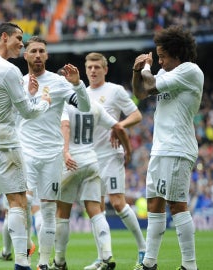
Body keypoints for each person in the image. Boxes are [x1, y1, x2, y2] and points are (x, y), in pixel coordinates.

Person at [0, 23, 51, 270]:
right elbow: (27, 111)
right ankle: (22, 263)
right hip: (4, 143)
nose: (21, 44)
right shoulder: (9, 69)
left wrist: (25, 92)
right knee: (17, 201)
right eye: (18, 38)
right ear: (4, 36)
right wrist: (43, 101)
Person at [131, 25, 203, 270]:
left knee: (177, 204)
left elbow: (150, 86)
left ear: (177, 53)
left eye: (162, 55)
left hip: (177, 147)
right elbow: (141, 92)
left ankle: (189, 265)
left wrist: (149, 68)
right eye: (158, 56)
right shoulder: (165, 72)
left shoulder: (190, 70)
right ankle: (149, 263)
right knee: (154, 203)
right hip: (160, 148)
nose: (159, 60)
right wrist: (136, 71)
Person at [19, 35, 91, 270]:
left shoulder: (59, 83)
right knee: (24, 204)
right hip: (25, 152)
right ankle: (24, 254)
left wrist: (78, 84)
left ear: (47, 55)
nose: (38, 55)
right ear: (25, 55)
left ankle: (43, 263)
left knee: (49, 209)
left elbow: (86, 107)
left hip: (51, 154)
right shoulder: (17, 83)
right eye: (33, 51)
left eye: (42, 51)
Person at [51, 99, 132, 270]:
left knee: (62, 212)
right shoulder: (93, 104)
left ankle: (59, 262)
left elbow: (64, 126)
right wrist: (128, 151)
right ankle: (107, 256)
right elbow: (118, 127)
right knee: (95, 210)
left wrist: (65, 151)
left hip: (71, 161)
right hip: (92, 160)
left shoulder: (63, 104)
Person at [84, 52, 146, 269]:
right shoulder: (81, 94)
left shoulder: (115, 91)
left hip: (110, 154)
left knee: (118, 203)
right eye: (90, 67)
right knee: (95, 209)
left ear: (105, 69)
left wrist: (119, 127)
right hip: (90, 158)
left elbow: (136, 115)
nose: (93, 71)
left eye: (97, 67)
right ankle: (103, 257)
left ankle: (143, 248)